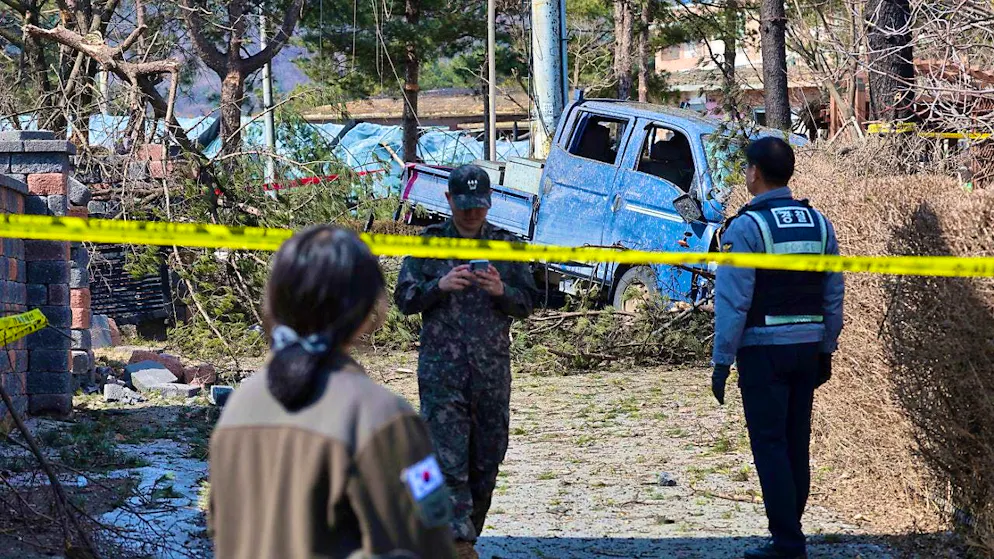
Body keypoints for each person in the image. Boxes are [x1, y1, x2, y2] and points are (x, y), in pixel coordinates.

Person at [208, 225, 456, 559]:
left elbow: (221, 530)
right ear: (369, 310)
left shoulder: (238, 407)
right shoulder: (382, 418)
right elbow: (430, 545)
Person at [394, 164, 540, 559]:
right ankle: (454, 541)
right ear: (448, 201)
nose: (472, 214)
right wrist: (437, 287)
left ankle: (462, 534)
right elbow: (404, 299)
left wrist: (501, 289)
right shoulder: (430, 244)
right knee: (447, 457)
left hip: (491, 373)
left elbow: (528, 301)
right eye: (464, 206)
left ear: (490, 202)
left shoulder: (505, 246)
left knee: (487, 458)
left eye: (478, 206)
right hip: (442, 371)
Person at [711, 137, 845, 559]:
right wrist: (827, 347)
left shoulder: (747, 228)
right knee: (794, 443)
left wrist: (721, 360)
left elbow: (734, 300)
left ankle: (788, 544)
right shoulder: (820, 223)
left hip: (764, 351)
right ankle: (789, 533)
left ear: (753, 173)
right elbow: (833, 292)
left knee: (769, 445)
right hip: (807, 348)